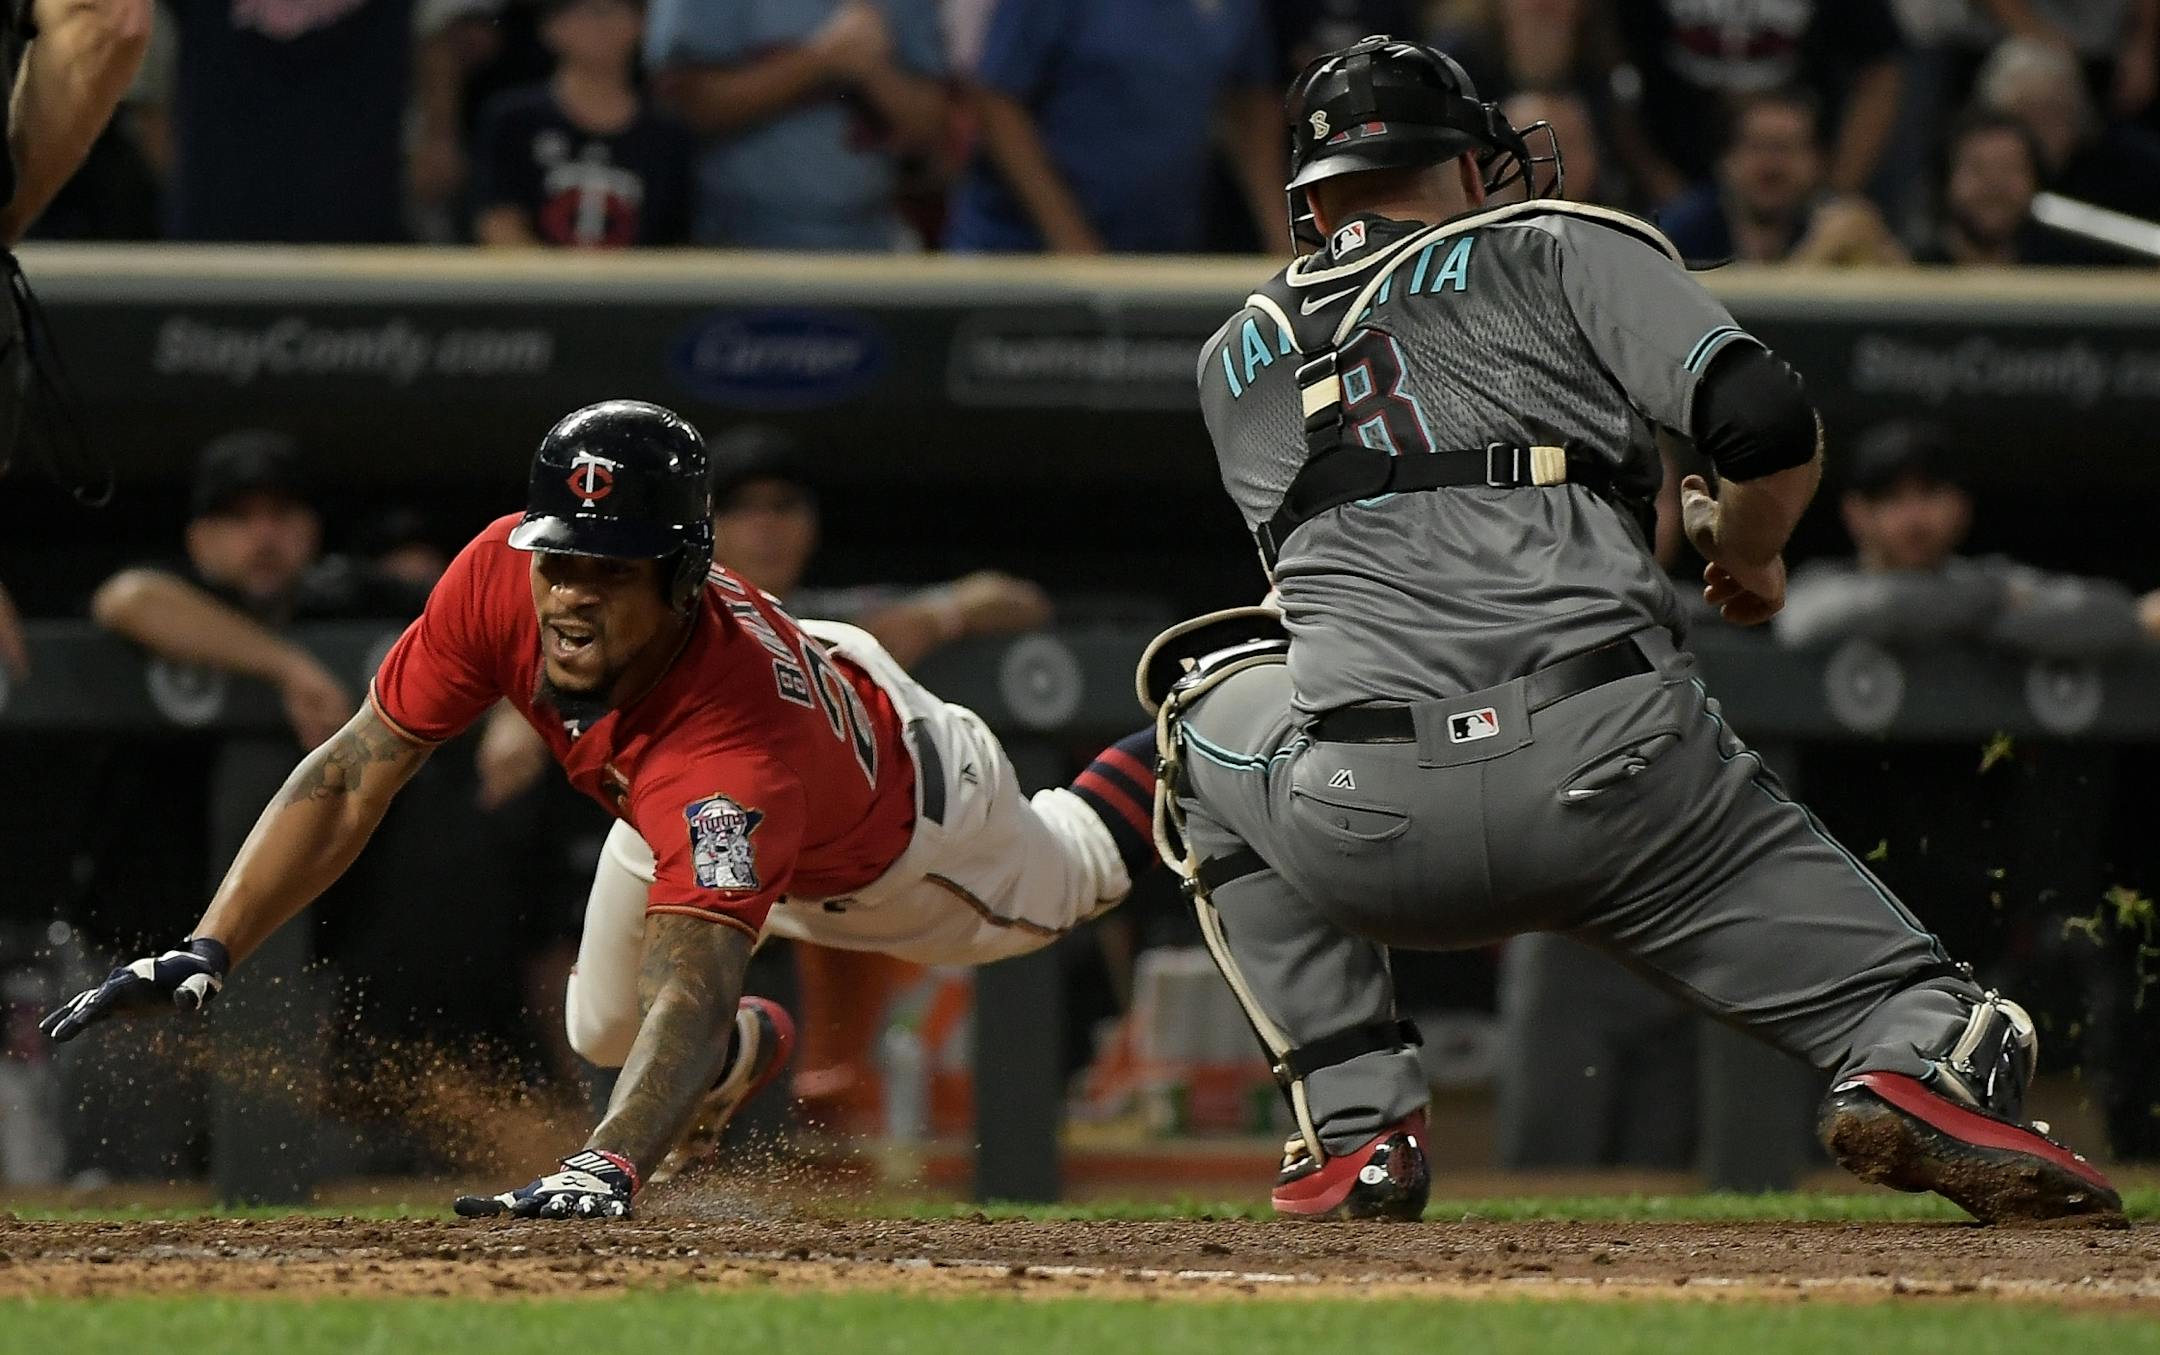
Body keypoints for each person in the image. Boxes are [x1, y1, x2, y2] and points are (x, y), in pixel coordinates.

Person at [1154, 35, 2120, 1224]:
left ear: (1312, 196)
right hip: (1614, 769)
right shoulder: (1555, 239)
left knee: (1198, 709)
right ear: (1463, 162)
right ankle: (1924, 1051)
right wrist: (1748, 546)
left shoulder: (1226, 361)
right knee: (1917, 1004)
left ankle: (1354, 1131)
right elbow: (1762, 416)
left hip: (1365, 811)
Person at [44, 401, 1157, 1220]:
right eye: (562, 558)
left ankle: (1201, 729)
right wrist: (213, 938)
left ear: (680, 579)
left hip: (911, 839)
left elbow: (696, 977)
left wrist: (605, 1161)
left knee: (1081, 866)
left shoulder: (733, 751)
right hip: (684, 784)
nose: (573, 593)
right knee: (598, 1031)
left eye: (614, 571)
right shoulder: (497, 574)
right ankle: (736, 1063)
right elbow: (350, 771)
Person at [1778, 421, 2160, 654]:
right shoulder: (1825, 585)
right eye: (1892, 499)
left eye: (1929, 495)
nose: (1914, 517)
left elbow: (2109, 615)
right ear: (1856, 513)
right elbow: (1803, 623)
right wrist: (1988, 602)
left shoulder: (1987, 578)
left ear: (1960, 507)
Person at [943, 0, 1283, 253]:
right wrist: (1074, 244)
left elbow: (1249, 103)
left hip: (1158, 260)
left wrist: (1284, 242)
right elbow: (997, 102)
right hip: (1019, 258)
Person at [643, 0, 947, 250]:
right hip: (733, 242)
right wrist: (821, 59)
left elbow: (932, 129)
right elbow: (684, 107)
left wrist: (875, 72)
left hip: (870, 239)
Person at [1610, 0, 1904, 208]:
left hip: (1804, 183)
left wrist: (1836, 193)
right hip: (1666, 176)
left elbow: (1879, 72)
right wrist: (1658, 182)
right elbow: (1610, 69)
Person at [472, 0, 695, 248]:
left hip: (636, 284)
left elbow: (675, 240)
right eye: (585, 11)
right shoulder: (514, 121)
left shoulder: (667, 133)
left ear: (642, 23)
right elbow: (498, 223)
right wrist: (558, 282)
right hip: (535, 283)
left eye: (614, 11)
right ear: (551, 26)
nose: (600, 25)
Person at [1658, 89, 1906, 265]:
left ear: (1818, 162)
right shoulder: (1679, 231)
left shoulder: (1843, 228)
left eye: (1787, 148)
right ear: (1725, 161)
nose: (1772, 165)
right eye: (1757, 147)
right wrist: (1814, 258)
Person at [1975, 35, 2160, 224]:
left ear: (2078, 116)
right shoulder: (1986, 187)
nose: (2041, 130)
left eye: (2053, 111)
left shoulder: (2133, 173)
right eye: (2026, 116)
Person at [1915, 107, 2110, 264]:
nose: (1994, 184)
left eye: (2010, 168)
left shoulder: (2065, 277)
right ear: (1946, 179)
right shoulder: (1912, 274)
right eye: (1978, 169)